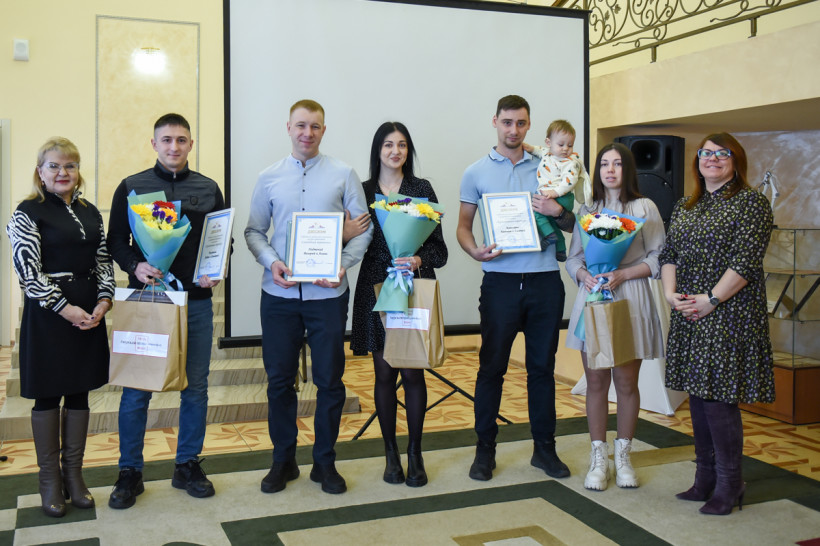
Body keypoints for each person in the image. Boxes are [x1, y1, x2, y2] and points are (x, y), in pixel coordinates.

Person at [245, 99, 373, 495]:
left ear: (323, 130)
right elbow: (254, 231)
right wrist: (271, 262)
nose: (307, 133)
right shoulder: (268, 177)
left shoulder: (343, 174)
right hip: (279, 295)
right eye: (301, 125)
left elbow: (364, 228)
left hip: (327, 296)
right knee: (279, 381)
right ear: (288, 127)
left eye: (315, 126)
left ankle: (324, 462)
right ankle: (283, 461)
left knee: (329, 381)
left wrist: (342, 264)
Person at [107, 113, 225, 509]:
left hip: (196, 302)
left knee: (196, 387)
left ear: (191, 144)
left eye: (181, 140)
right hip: (148, 300)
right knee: (136, 387)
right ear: (154, 144)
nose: (174, 146)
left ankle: (187, 464)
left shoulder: (209, 188)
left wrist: (216, 270)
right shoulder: (132, 186)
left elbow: (220, 240)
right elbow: (115, 240)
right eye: (167, 140)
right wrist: (135, 266)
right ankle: (129, 471)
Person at [456, 95, 575, 481]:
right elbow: (463, 226)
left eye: (521, 123)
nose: (514, 130)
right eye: (507, 122)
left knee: (542, 369)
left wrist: (559, 211)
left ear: (529, 125)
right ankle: (484, 451)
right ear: (495, 122)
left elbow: (572, 223)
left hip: (544, 281)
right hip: (500, 284)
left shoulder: (550, 166)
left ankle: (545, 450)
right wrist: (474, 250)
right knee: (492, 368)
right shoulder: (475, 172)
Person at [660, 132, 774, 515]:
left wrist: (711, 299)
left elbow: (745, 261)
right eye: (706, 153)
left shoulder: (751, 202)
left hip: (728, 313)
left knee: (719, 398)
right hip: (689, 311)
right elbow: (669, 254)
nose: (712, 158)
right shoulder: (685, 205)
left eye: (722, 153)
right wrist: (670, 294)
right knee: (697, 394)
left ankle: (730, 483)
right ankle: (704, 478)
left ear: (736, 160)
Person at [6, 137, 115, 517]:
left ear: (78, 170)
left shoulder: (90, 211)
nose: (62, 172)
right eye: (53, 165)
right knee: (49, 395)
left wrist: (104, 301)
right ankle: (49, 481)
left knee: (80, 392)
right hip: (50, 315)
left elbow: (103, 260)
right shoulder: (27, 211)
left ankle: (74, 476)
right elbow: (27, 271)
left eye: (70, 165)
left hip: (89, 312)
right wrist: (65, 308)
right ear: (40, 171)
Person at [349, 122, 448, 487]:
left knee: (413, 373)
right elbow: (351, 240)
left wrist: (419, 259)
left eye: (402, 145)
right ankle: (390, 453)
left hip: (413, 286)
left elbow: (440, 250)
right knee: (384, 374)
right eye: (388, 145)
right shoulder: (362, 192)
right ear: (378, 150)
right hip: (375, 288)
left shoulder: (421, 189)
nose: (395, 151)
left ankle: (415, 453)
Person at [565, 142, 665, 491]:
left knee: (625, 383)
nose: (610, 170)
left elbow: (658, 257)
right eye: (604, 163)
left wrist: (624, 273)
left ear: (628, 169)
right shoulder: (587, 209)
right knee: (595, 382)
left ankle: (623, 457)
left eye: (618, 163)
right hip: (592, 297)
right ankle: (598, 458)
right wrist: (583, 275)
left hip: (630, 298)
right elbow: (574, 258)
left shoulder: (644, 207)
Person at [524, 119, 591, 261]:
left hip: (561, 197)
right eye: (561, 145)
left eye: (570, 145)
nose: (566, 149)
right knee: (551, 222)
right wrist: (529, 148)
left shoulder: (569, 162)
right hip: (555, 196)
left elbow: (569, 182)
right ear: (548, 143)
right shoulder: (548, 154)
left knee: (537, 214)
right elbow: (538, 150)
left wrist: (555, 193)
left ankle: (549, 236)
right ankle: (560, 250)